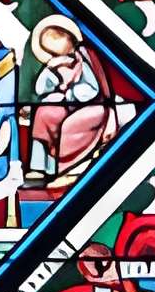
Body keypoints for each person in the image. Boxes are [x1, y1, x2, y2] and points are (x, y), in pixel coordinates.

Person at [28, 18, 127, 185]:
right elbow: (40, 89)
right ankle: (41, 168)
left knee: (69, 125)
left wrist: (68, 94)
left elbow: (92, 89)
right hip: (68, 105)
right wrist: (51, 69)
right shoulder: (55, 63)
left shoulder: (83, 58)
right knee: (43, 113)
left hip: (93, 106)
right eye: (52, 49)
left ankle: (67, 169)